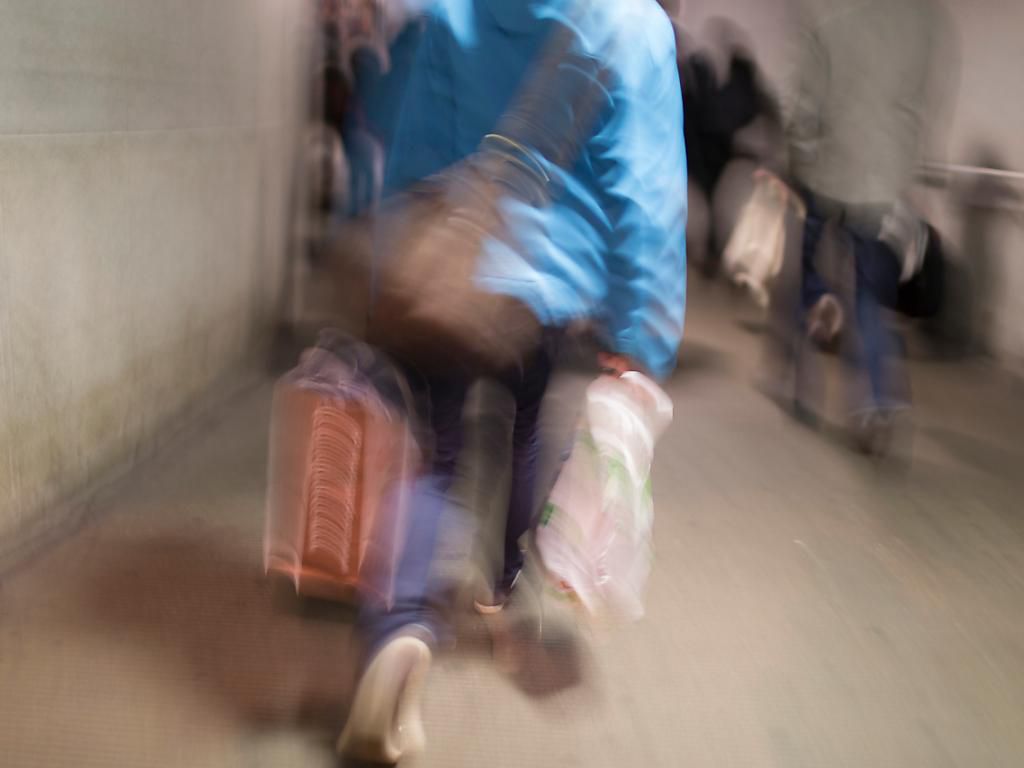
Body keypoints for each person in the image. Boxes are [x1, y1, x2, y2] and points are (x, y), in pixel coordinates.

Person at [337, 0, 687, 762]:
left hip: (452, 265)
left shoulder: (453, 10)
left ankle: (397, 630)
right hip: (545, 291)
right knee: (524, 433)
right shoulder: (631, 23)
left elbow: (416, 148)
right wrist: (640, 336)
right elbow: (646, 191)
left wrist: (389, 273)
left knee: (435, 455)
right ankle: (498, 591)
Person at [774, 0, 945, 451]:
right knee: (870, 295)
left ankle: (806, 365)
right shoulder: (923, 18)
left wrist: (798, 162)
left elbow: (802, 108)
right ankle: (879, 401)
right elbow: (923, 106)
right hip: (886, 183)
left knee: (807, 267)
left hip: (828, 174)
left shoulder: (825, 16)